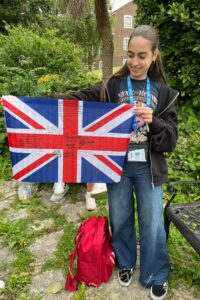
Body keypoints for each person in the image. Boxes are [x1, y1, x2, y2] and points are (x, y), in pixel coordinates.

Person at [72, 25, 179, 300]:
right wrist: (24, 104)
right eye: (130, 54)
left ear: (154, 56)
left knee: (153, 220)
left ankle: (156, 272)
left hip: (147, 165)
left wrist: (154, 121)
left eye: (142, 56)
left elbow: (170, 140)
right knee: (120, 218)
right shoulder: (113, 85)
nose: (134, 62)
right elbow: (75, 101)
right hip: (116, 164)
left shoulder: (164, 92)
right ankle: (125, 261)